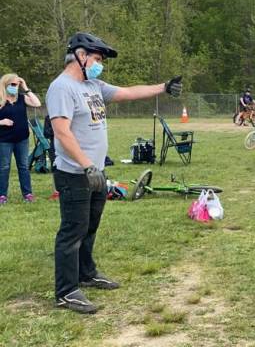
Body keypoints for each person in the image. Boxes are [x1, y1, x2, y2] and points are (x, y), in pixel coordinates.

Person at [46, 32, 183, 314]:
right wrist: (87, 164)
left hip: (95, 172)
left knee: (90, 226)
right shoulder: (62, 88)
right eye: (96, 59)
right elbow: (61, 131)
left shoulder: (93, 85)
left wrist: (164, 86)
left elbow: (128, 92)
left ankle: (87, 273)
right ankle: (66, 291)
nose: (100, 65)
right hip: (76, 173)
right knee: (73, 230)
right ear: (81, 56)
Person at [0, 73, 42, 204]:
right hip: (4, 140)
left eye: (17, 84)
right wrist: (1, 122)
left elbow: (37, 103)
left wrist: (26, 87)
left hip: (22, 139)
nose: (15, 87)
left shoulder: (22, 98)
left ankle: (27, 194)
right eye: (12, 84)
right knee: (4, 167)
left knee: (23, 166)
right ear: (5, 85)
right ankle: (2, 195)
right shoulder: (1, 100)